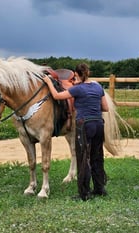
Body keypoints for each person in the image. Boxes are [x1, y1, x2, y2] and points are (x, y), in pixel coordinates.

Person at [42, 63, 109, 201]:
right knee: (97, 156)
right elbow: (106, 107)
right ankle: (99, 188)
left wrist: (48, 81)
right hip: (98, 124)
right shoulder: (98, 87)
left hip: (85, 125)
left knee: (83, 158)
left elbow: (56, 96)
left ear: (77, 75)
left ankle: (84, 193)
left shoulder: (77, 89)